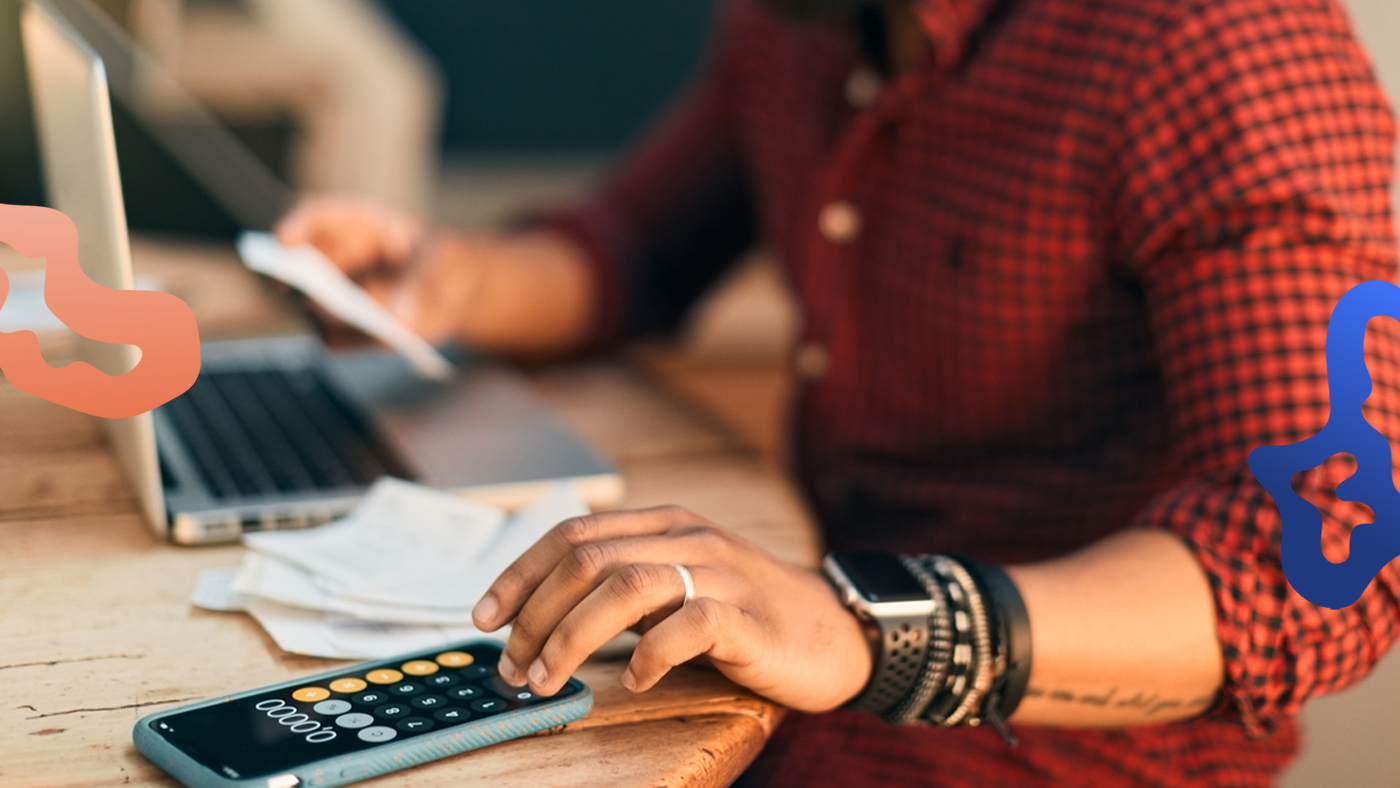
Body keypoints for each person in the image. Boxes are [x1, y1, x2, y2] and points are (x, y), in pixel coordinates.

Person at [275, 0, 1400, 785]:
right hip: (795, 671)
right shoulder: (800, 19)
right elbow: (637, 250)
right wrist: (447, 278)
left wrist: (869, 624)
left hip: (1060, 749)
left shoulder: (1219, 42)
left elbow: (1319, 568)